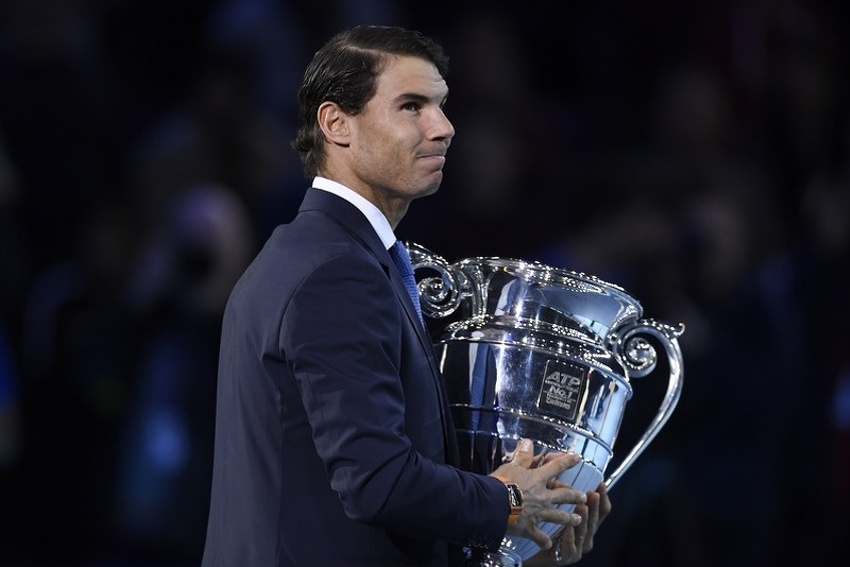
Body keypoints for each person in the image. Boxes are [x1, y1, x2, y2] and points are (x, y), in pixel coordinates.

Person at [201, 24, 610, 567]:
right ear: (336, 123)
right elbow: (376, 480)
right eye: (412, 106)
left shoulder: (323, 254)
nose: (443, 128)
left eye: (441, 106)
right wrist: (508, 502)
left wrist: (523, 534)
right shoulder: (336, 272)